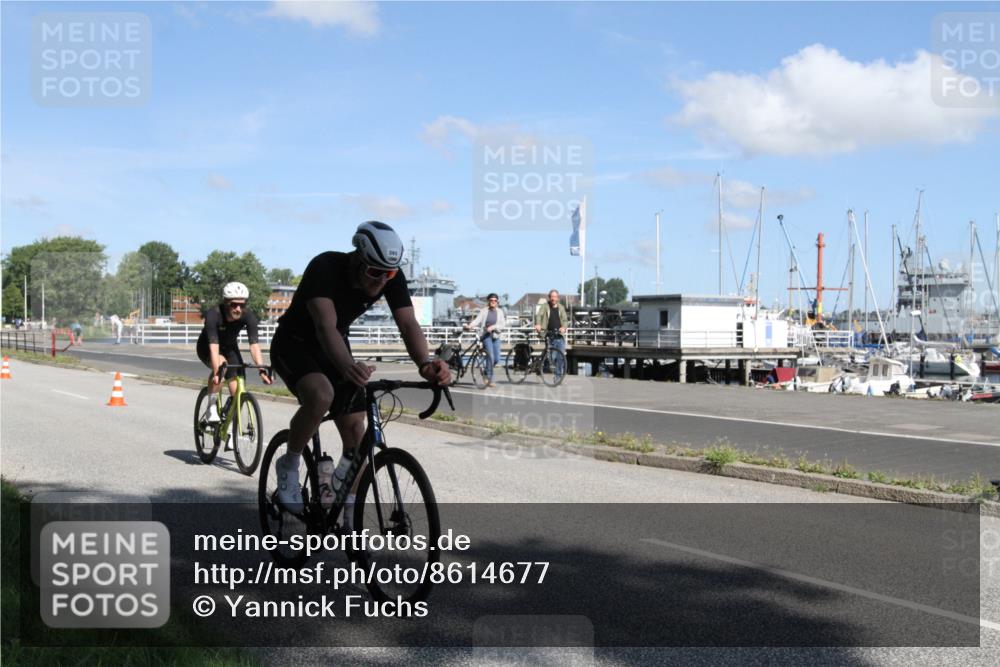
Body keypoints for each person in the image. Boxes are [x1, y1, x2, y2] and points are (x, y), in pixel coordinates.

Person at [269, 221, 451, 513]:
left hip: (335, 345)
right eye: (375, 272)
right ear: (357, 257)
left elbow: (407, 323)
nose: (381, 281)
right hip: (295, 342)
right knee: (321, 395)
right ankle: (289, 463)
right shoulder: (325, 267)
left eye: (388, 273)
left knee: (356, 430)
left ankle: (348, 506)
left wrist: (426, 364)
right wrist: (347, 366)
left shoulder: (391, 277)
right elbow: (324, 326)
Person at [196, 283, 272, 449]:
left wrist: (261, 368)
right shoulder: (213, 315)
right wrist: (217, 371)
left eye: (242, 304)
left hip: (230, 348)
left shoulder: (248, 316)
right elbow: (214, 348)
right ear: (225, 303)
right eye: (234, 304)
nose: (238, 308)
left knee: (237, 390)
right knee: (221, 368)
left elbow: (254, 345)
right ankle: (211, 407)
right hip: (208, 347)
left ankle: (229, 429)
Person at [465, 293, 505, 388]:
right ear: (488, 301)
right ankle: (490, 379)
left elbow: (503, 325)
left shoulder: (500, 312)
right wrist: (470, 326)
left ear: (497, 302)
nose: (493, 302)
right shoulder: (484, 311)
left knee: (496, 359)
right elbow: (477, 321)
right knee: (490, 356)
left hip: (496, 336)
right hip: (486, 336)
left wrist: (493, 327)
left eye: (495, 301)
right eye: (491, 300)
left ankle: (486, 372)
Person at [534, 289, 568, 376]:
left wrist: (564, 327)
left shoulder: (561, 307)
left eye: (555, 297)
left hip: (559, 335)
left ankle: (558, 377)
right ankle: (540, 366)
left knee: (560, 357)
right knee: (552, 357)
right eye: (552, 297)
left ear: (558, 298)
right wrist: (538, 324)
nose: (553, 298)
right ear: (549, 297)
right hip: (549, 334)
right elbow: (539, 315)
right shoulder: (545, 306)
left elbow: (565, 320)